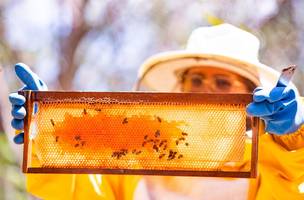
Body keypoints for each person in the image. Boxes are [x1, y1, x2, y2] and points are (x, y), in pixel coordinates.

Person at [9, 24, 304, 199]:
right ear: (180, 88)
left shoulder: (266, 167)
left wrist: (293, 137)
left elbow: (292, 188)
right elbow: (79, 193)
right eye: (196, 80)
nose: (205, 89)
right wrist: (49, 132)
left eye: (222, 82)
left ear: (251, 95)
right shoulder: (133, 158)